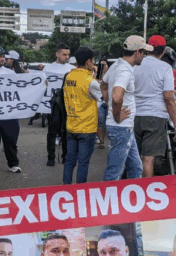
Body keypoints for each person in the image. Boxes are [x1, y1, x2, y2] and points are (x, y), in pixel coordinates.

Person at [101, 36, 150, 181]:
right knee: (114, 172)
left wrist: (109, 104)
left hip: (125, 128)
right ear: (137, 52)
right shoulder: (125, 71)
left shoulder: (116, 65)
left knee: (136, 167)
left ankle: (134, 193)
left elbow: (103, 84)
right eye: (144, 53)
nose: (145, 56)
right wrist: (117, 115)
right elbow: (117, 97)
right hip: (120, 127)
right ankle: (109, 195)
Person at [132, 35, 176, 178]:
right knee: (148, 158)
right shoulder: (165, 68)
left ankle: (131, 187)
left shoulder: (134, 65)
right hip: (155, 117)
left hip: (134, 115)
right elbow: (169, 98)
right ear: (164, 51)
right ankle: (145, 188)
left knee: (134, 157)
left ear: (147, 48)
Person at [62, 46, 101, 184]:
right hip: (87, 128)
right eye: (93, 60)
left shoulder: (68, 77)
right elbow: (101, 99)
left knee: (69, 160)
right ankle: (80, 190)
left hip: (71, 125)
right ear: (89, 62)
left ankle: (66, 187)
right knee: (83, 162)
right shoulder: (90, 82)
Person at [0, 49, 22, 174]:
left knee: (11, 141)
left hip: (9, 114)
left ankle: (13, 164)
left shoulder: (10, 73)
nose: (2, 58)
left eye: (4, 56)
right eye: (0, 56)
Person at [44, 45, 75, 166]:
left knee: (66, 131)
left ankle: (65, 156)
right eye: (64, 54)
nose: (67, 57)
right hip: (53, 104)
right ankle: (51, 157)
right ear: (57, 54)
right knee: (52, 131)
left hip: (67, 104)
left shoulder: (72, 69)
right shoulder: (48, 68)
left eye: (68, 55)